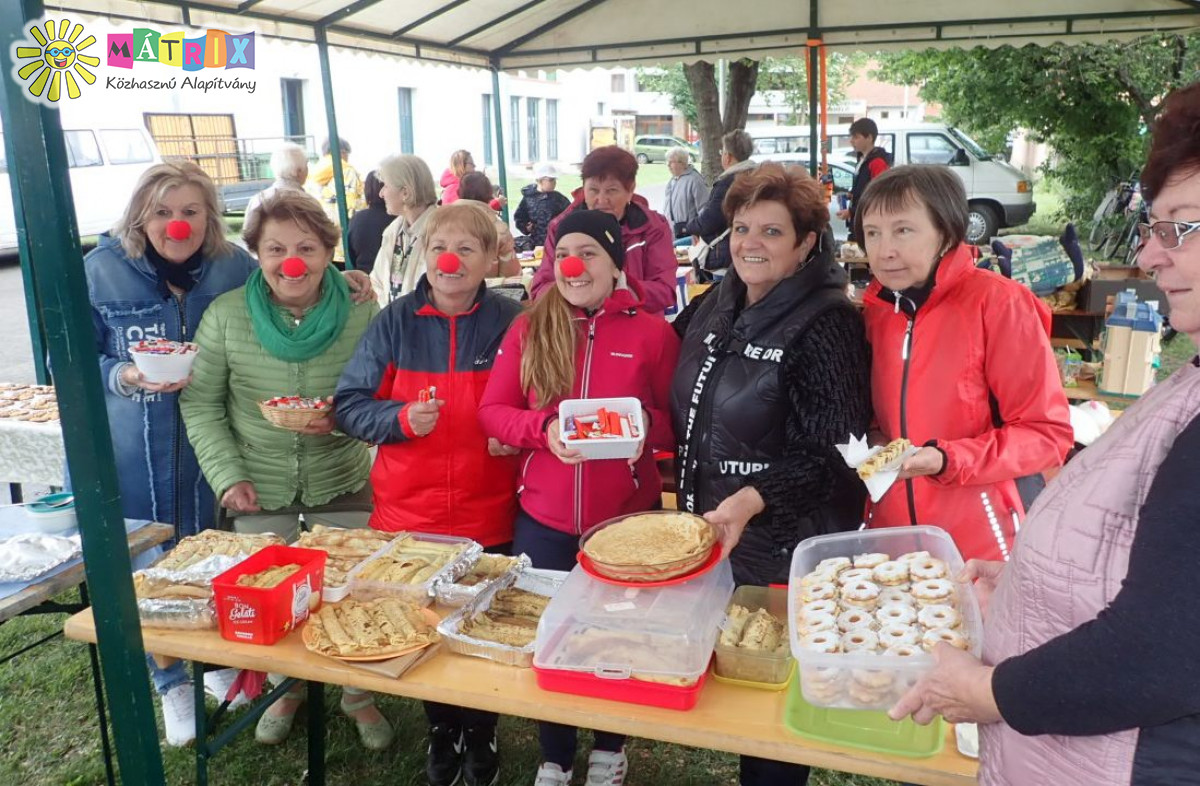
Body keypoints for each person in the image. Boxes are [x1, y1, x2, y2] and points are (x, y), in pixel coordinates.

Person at [888, 84, 1200, 786]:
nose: (1149, 256)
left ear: (948, 230)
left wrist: (985, 693)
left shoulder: (1000, 306)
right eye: (1153, 227)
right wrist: (1036, 585)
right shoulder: (1188, 386)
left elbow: (1162, 652)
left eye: (1179, 226)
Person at [670, 163, 870, 786]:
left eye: (771, 231)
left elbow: (835, 456)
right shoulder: (718, 302)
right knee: (730, 688)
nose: (749, 242)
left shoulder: (828, 322)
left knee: (770, 717)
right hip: (718, 528)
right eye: (740, 227)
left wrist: (753, 499)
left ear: (807, 243)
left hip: (784, 544)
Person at [178, 189, 387, 750]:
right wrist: (227, 476)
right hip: (257, 486)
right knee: (268, 596)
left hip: (342, 480)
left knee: (346, 592)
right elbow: (199, 403)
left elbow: (382, 392)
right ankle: (284, 686)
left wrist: (344, 421)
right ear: (257, 254)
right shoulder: (225, 317)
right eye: (275, 249)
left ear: (327, 253)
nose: (290, 262)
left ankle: (356, 692)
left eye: (306, 248)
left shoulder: (363, 309)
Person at [479, 210, 680, 786]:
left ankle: (610, 746)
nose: (573, 264)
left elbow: (675, 423)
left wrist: (644, 423)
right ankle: (554, 754)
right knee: (553, 633)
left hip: (624, 523)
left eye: (589, 251)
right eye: (563, 251)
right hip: (542, 517)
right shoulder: (529, 326)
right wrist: (542, 431)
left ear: (616, 263)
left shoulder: (652, 331)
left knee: (617, 633)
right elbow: (492, 410)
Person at [335, 201, 523, 786]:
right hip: (409, 517)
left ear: (492, 259)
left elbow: (542, 403)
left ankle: (482, 733)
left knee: (480, 629)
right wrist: (397, 419)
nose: (451, 260)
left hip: (490, 512)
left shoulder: (514, 321)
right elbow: (350, 405)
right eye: (442, 246)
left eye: (469, 248)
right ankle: (442, 731)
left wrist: (517, 438)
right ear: (423, 253)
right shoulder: (392, 321)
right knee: (424, 630)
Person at [82, 161, 258, 746]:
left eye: (190, 211)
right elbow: (70, 360)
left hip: (214, 440)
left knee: (218, 552)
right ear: (140, 215)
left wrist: (347, 281)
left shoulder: (233, 265)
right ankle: (171, 681)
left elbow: (290, 286)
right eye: (162, 212)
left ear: (209, 216)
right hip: (135, 447)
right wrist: (127, 374)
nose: (176, 225)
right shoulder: (100, 272)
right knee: (149, 566)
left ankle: (217, 659)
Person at [858, 165, 1073, 562]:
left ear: (946, 233)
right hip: (890, 537)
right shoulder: (875, 312)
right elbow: (882, 417)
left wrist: (946, 459)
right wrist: (873, 442)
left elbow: (1046, 435)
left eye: (903, 230)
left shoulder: (999, 304)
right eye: (873, 233)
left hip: (979, 540)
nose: (884, 250)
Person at [529, 146, 678, 314]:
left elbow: (665, 291)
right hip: (578, 328)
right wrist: (580, 293)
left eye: (611, 190)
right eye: (593, 190)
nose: (601, 199)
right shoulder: (561, 228)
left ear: (630, 190)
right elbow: (541, 289)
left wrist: (615, 290)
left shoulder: (652, 227)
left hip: (637, 327)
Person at [369, 153, 439, 308]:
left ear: (405, 193)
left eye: (385, 186)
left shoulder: (443, 231)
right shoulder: (392, 232)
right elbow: (376, 282)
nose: (381, 193)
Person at [684, 129, 757, 275]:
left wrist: (689, 227)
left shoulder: (728, 183)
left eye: (722, 152)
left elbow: (708, 221)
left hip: (724, 257)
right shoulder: (756, 177)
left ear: (728, 157)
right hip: (746, 251)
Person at [307, 137, 365, 266]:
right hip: (342, 242)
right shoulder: (346, 170)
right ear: (342, 152)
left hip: (320, 239)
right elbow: (351, 205)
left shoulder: (313, 173)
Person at [837, 118, 892, 245]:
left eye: (856, 137)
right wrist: (853, 194)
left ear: (869, 137)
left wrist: (852, 211)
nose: (851, 141)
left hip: (868, 220)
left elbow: (878, 195)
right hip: (859, 219)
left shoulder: (877, 162)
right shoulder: (862, 159)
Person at [458, 171, 521, 278]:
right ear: (489, 194)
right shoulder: (499, 229)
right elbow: (511, 277)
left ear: (459, 192)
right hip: (484, 291)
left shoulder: (440, 222)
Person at [245, 142, 309, 227]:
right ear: (299, 171)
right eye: (307, 166)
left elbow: (247, 234)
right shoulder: (307, 202)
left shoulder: (257, 200)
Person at [514, 162, 570, 247]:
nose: (554, 182)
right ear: (540, 180)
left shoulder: (559, 198)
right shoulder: (528, 198)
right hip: (536, 243)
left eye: (554, 180)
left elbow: (570, 214)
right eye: (550, 180)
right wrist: (526, 227)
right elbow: (519, 218)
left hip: (555, 242)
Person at [346, 170, 392, 273]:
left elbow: (351, 254)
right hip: (389, 280)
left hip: (363, 279)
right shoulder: (397, 220)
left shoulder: (356, 219)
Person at [663, 145, 710, 242]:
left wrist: (698, 232)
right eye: (668, 161)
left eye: (671, 162)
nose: (668, 165)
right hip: (674, 234)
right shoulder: (672, 180)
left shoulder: (695, 180)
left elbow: (703, 209)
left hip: (689, 235)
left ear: (682, 163)